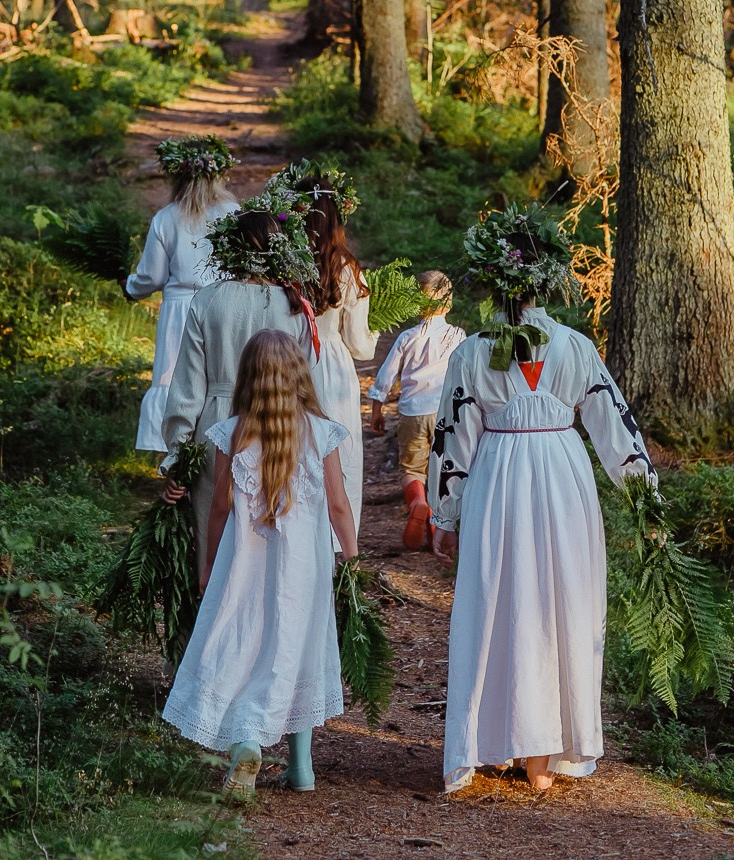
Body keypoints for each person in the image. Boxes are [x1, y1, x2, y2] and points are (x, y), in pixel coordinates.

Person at [427, 204, 657, 795]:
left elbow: (452, 439)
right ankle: (539, 752)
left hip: (503, 476)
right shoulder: (574, 347)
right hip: (559, 475)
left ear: (490, 284)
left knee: (505, 601)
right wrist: (641, 493)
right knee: (552, 601)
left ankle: (512, 739)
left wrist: (446, 512)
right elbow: (613, 425)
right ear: (547, 283)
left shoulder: (473, 352)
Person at [162, 329, 358, 800]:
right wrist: (352, 563)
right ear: (299, 375)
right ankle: (302, 768)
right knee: (296, 649)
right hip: (303, 572)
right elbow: (337, 506)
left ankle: (247, 743)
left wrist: (208, 564)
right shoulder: (321, 431)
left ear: (247, 377)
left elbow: (219, 508)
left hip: (243, 567)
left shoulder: (231, 433)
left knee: (243, 644)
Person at [160, 200, 319, 567]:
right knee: (272, 537)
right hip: (279, 428)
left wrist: (177, 457)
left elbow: (186, 389)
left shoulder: (208, 300)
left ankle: (211, 610)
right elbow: (307, 386)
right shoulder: (295, 306)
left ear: (230, 249)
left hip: (217, 425)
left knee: (212, 536)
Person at [267, 162, 374, 537]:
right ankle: (338, 539)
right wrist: (372, 334)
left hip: (285, 364)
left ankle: (292, 530)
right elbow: (360, 346)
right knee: (337, 454)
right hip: (331, 365)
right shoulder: (346, 268)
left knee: (290, 448)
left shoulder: (281, 262)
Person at [125, 136, 238, 452]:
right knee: (220, 376)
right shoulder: (234, 212)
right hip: (224, 305)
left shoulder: (167, 217)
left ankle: (176, 455)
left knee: (176, 378)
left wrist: (131, 287)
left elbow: (152, 276)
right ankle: (219, 447)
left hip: (181, 311)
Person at [369, 270, 465, 550]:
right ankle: (437, 521)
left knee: (411, 468)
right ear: (448, 304)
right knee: (442, 466)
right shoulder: (458, 335)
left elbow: (386, 375)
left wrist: (377, 408)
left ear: (415, 304)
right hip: (445, 413)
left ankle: (418, 502)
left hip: (412, 412)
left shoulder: (407, 337)